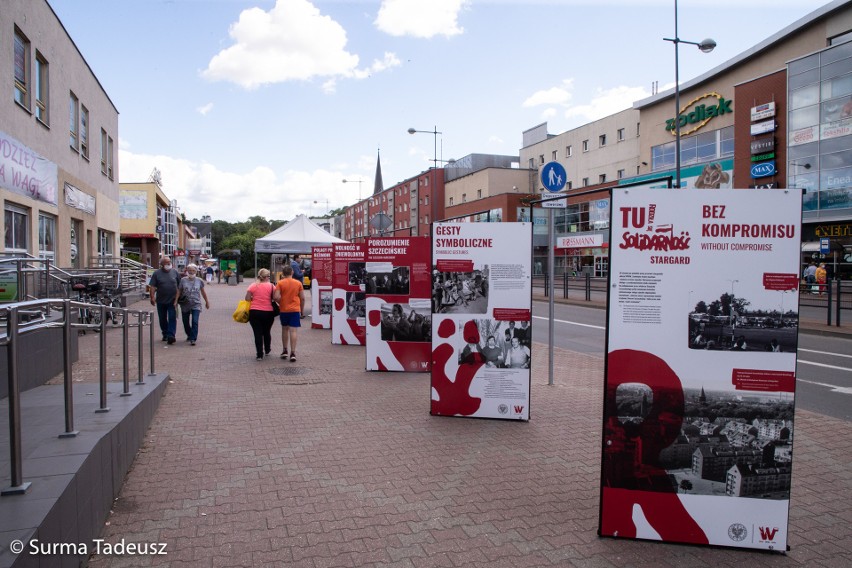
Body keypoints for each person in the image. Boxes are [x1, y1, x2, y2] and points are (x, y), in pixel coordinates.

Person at [274, 264, 305, 361]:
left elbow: (276, 297)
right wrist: (302, 310)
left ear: (283, 273)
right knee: (293, 331)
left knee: (284, 330)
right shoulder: (298, 283)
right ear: (292, 272)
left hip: (284, 310)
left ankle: (285, 350)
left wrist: (281, 302)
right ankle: (293, 352)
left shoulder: (280, 283)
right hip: (295, 309)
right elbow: (302, 298)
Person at [245, 268, 277, 361]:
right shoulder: (271, 286)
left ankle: (259, 354)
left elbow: (247, 299)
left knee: (257, 333)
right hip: (268, 313)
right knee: (267, 332)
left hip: (254, 312)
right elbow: (275, 298)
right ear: (266, 277)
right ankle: (267, 349)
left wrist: (253, 297)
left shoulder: (253, 286)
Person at [174, 263, 210, 346]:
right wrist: (175, 301)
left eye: (193, 270)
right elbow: (179, 291)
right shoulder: (183, 280)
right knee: (185, 322)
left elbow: (203, 292)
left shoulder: (199, 280)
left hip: (196, 303)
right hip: (185, 304)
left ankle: (193, 338)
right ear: (187, 271)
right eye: (189, 270)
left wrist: (207, 302)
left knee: (195, 321)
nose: (191, 272)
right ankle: (189, 334)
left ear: (196, 271)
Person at [149, 256, 180, 344]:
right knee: (162, 318)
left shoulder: (175, 272)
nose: (168, 264)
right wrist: (152, 297)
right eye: (166, 262)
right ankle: (165, 333)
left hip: (173, 300)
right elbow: (153, 286)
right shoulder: (157, 273)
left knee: (172, 317)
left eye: (169, 262)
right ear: (162, 264)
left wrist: (178, 298)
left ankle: (171, 335)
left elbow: (179, 286)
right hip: (161, 300)